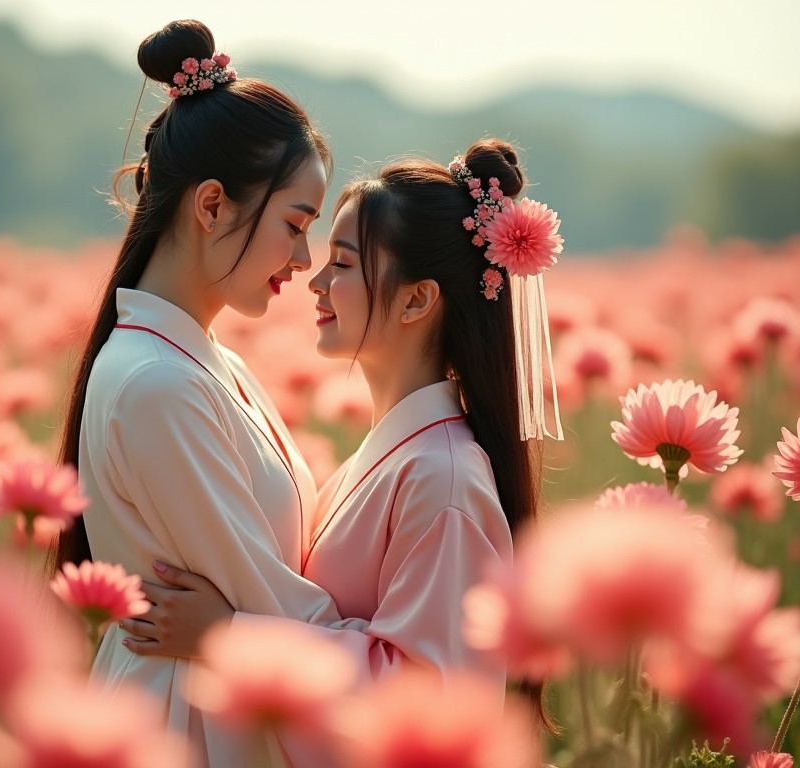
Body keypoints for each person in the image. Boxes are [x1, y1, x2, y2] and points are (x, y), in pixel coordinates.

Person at [120, 139, 565, 732]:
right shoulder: (401, 456)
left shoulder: (444, 478)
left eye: (345, 263)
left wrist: (228, 636)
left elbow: (427, 698)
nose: (315, 280)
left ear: (416, 299)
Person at [49, 18, 371, 768]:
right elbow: (271, 607)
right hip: (186, 725)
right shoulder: (161, 385)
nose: (302, 258)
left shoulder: (195, 361)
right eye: (294, 224)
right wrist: (388, 650)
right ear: (212, 205)